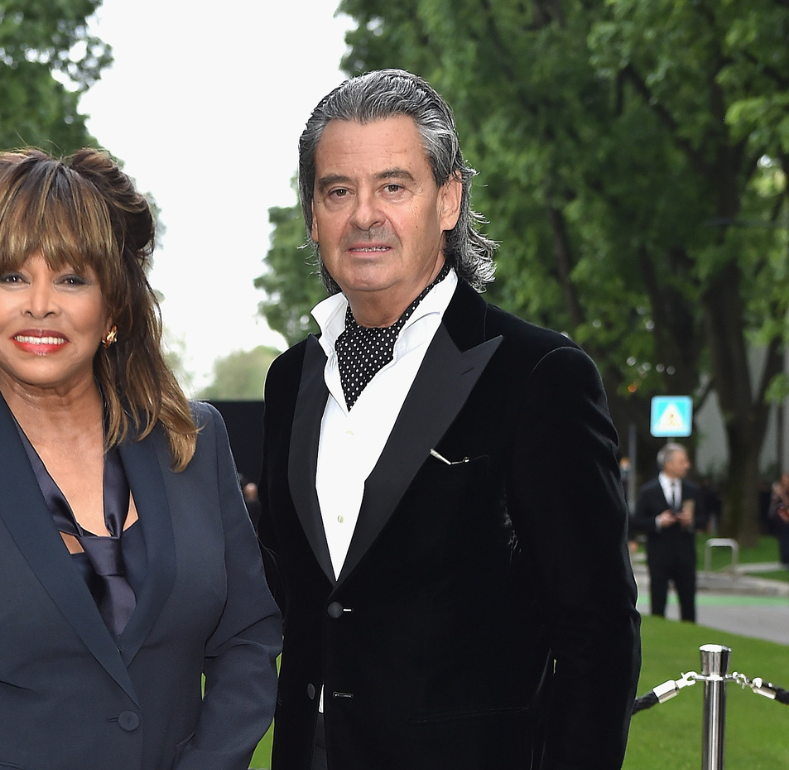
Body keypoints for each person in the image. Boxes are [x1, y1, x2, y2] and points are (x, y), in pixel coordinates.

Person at [0, 147, 282, 770]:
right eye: (11, 276)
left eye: (72, 278)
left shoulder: (193, 441)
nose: (40, 304)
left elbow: (247, 638)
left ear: (112, 307)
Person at [257, 70, 641, 770]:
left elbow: (598, 634)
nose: (364, 215)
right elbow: (292, 590)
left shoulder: (538, 375)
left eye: (393, 186)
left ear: (449, 199)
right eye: (339, 190)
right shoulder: (290, 381)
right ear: (313, 215)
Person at [632, 443, 705, 622]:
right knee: (658, 600)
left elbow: (703, 518)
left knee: (688, 602)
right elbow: (636, 521)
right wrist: (658, 521)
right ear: (669, 464)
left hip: (685, 554)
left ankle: (690, 637)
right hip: (659, 554)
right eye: (682, 461)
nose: (687, 465)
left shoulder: (692, 490)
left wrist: (691, 521)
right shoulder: (648, 491)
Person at [769, 471, 789, 567]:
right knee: (783, 537)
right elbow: (774, 501)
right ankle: (784, 558)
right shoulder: (777, 488)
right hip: (780, 516)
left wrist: (783, 493)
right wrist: (779, 492)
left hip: (787, 514)